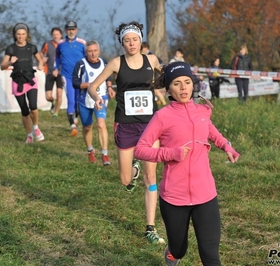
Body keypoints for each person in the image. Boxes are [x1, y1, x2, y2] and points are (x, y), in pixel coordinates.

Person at [134, 61, 240, 266]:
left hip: (205, 194)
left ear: (193, 85)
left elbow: (210, 130)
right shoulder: (162, 117)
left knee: (210, 255)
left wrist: (226, 145)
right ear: (169, 89)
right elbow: (140, 149)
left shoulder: (202, 111)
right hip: (174, 197)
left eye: (187, 82)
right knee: (179, 250)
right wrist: (170, 153)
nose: (183, 88)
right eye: (176, 83)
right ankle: (172, 253)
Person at [87, 21, 164, 244]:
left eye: (135, 39)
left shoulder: (152, 60)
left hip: (151, 124)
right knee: (125, 180)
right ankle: (134, 167)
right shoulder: (116, 63)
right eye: (127, 40)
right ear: (122, 43)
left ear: (141, 41)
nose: (131, 43)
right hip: (125, 124)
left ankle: (150, 228)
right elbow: (93, 86)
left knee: (152, 176)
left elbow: (166, 80)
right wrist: (97, 97)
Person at [0, 23, 44, 144]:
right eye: (18, 34)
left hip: (30, 79)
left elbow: (40, 60)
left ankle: (36, 127)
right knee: (25, 111)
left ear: (26, 35)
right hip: (17, 81)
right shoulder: (11, 48)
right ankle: (29, 135)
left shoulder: (32, 47)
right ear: (15, 35)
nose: (20, 36)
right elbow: (2, 66)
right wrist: (9, 62)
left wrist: (40, 65)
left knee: (33, 106)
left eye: (23, 34)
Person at [72, 40, 114, 165]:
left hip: (101, 98)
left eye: (95, 51)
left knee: (101, 124)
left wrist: (110, 87)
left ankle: (105, 154)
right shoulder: (81, 64)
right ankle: (90, 150)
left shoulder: (104, 62)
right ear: (86, 52)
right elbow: (75, 83)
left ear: (99, 51)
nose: (93, 53)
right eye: (90, 51)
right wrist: (91, 85)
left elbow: (109, 76)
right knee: (87, 127)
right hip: (85, 100)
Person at [54, 21, 86, 136]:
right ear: (65, 30)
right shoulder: (61, 43)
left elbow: (87, 58)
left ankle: (76, 118)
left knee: (78, 100)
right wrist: (55, 68)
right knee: (71, 99)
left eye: (73, 29)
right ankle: (72, 125)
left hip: (80, 76)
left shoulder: (82, 43)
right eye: (69, 29)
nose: (71, 31)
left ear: (76, 30)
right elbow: (57, 57)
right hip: (66, 76)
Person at [41, 27, 63, 117]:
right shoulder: (47, 44)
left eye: (57, 34)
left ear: (61, 35)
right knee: (48, 96)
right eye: (54, 34)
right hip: (49, 71)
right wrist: (42, 59)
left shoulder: (64, 44)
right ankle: (52, 102)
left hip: (61, 73)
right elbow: (40, 53)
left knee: (59, 93)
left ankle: (56, 113)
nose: (55, 36)